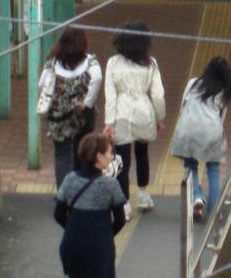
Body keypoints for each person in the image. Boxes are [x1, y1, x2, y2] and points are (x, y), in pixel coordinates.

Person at [103, 21, 165, 216]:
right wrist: (159, 117)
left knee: (122, 159)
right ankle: (144, 195)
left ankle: (124, 204)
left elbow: (110, 95)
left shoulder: (113, 62)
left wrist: (109, 122)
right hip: (144, 112)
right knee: (142, 153)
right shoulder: (151, 63)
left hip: (121, 112)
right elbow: (157, 95)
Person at [54, 132, 127, 278]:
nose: (111, 156)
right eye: (109, 153)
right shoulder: (110, 185)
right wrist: (104, 234)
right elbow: (120, 220)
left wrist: (74, 230)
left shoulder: (69, 180)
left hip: (73, 246)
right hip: (100, 250)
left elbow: (58, 214)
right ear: (99, 157)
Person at [38, 27, 102, 188]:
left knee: (62, 154)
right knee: (83, 150)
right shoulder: (90, 61)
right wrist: (87, 102)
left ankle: (64, 193)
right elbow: (97, 78)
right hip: (82, 114)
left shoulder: (53, 61)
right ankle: (82, 188)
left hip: (58, 115)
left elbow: (41, 84)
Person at [171, 56, 231, 221]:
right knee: (213, 169)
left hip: (188, 128)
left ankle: (197, 196)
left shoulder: (194, 83)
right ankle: (214, 210)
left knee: (191, 166)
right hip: (212, 130)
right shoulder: (224, 91)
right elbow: (222, 117)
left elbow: (183, 105)